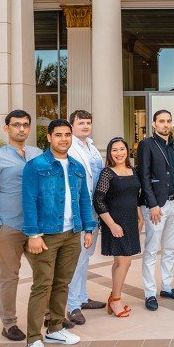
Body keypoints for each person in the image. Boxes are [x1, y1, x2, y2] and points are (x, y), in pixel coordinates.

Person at [22, 119, 96, 347]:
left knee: (62, 282)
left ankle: (55, 328)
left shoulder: (76, 165)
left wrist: (88, 228)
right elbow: (29, 200)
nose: (64, 139)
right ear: (49, 137)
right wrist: (33, 234)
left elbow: (84, 199)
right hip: (46, 234)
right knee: (42, 285)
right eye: (58, 135)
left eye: (67, 135)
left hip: (72, 233)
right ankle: (33, 341)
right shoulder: (36, 166)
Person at [0, 110, 42, 341]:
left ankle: (48, 315)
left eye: (25, 124)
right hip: (9, 227)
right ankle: (9, 324)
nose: (21, 129)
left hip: (35, 228)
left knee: (44, 273)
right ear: (6, 128)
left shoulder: (38, 154)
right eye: (16, 125)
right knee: (10, 277)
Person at [138, 109, 174, 311]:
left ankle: (167, 287)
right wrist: (152, 204)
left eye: (168, 121)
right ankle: (150, 293)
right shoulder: (146, 145)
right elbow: (143, 176)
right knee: (151, 250)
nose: (165, 124)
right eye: (161, 121)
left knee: (169, 249)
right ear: (154, 124)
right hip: (156, 206)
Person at [93, 138, 143, 318]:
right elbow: (98, 200)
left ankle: (114, 298)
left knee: (120, 262)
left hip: (130, 220)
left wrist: (140, 216)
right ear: (109, 153)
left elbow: (134, 197)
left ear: (127, 151)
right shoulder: (107, 173)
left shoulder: (132, 170)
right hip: (115, 222)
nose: (119, 153)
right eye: (114, 150)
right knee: (124, 262)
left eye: (122, 149)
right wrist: (112, 225)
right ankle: (115, 300)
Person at [65, 110, 106, 326]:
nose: (85, 126)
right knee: (78, 258)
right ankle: (72, 305)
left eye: (88, 122)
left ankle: (82, 297)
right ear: (72, 126)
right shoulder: (69, 147)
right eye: (81, 123)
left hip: (94, 208)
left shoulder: (91, 146)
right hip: (80, 209)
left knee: (86, 256)